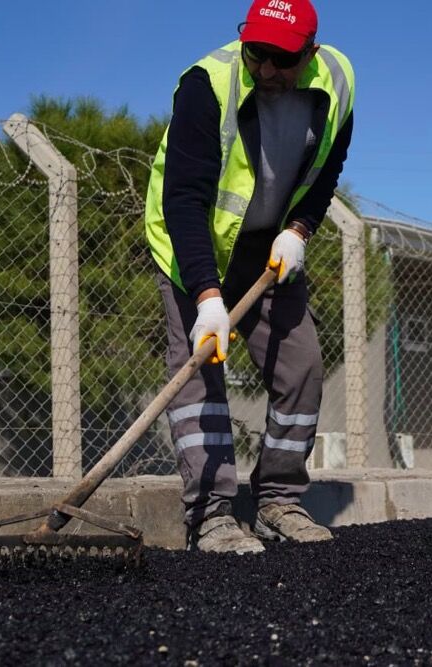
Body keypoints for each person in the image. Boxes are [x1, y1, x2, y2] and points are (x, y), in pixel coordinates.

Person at [143, 0, 355, 552]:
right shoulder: (205, 85)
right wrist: (208, 298)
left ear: (308, 53)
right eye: (255, 52)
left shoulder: (336, 82)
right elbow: (184, 200)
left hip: (268, 253)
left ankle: (278, 502)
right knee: (198, 380)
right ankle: (210, 514)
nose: (263, 68)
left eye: (280, 59)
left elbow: (329, 165)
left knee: (301, 367)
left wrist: (301, 229)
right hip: (195, 248)